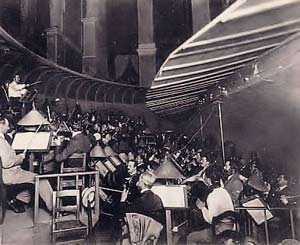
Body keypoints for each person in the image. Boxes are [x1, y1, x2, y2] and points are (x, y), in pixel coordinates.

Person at [0, 115, 52, 212]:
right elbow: (6, 163)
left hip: (10, 172)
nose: (8, 128)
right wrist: (20, 158)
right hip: (9, 175)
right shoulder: (1, 141)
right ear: (0, 125)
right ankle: (54, 209)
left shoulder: (3, 139)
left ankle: (18, 199)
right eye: (7, 125)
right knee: (42, 180)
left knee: (30, 182)